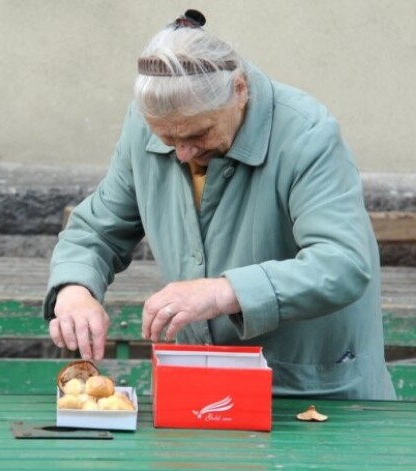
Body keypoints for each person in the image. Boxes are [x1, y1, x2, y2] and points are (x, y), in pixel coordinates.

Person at [42, 9, 396, 400]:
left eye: (198, 134)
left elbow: (343, 262)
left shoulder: (307, 135)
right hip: (202, 391)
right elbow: (97, 230)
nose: (181, 153)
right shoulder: (149, 125)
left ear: (240, 90)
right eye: (166, 138)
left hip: (313, 392)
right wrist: (75, 289)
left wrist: (222, 292)